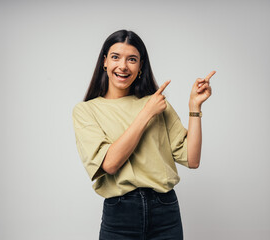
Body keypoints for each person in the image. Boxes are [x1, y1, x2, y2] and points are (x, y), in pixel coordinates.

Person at [72, 29, 216, 240]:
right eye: (115, 57)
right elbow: (109, 164)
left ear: (140, 66)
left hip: (166, 211)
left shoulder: (159, 104)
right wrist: (146, 113)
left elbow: (192, 160)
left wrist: (194, 106)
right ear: (104, 62)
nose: (123, 66)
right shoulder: (86, 111)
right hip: (120, 215)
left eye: (132, 59)